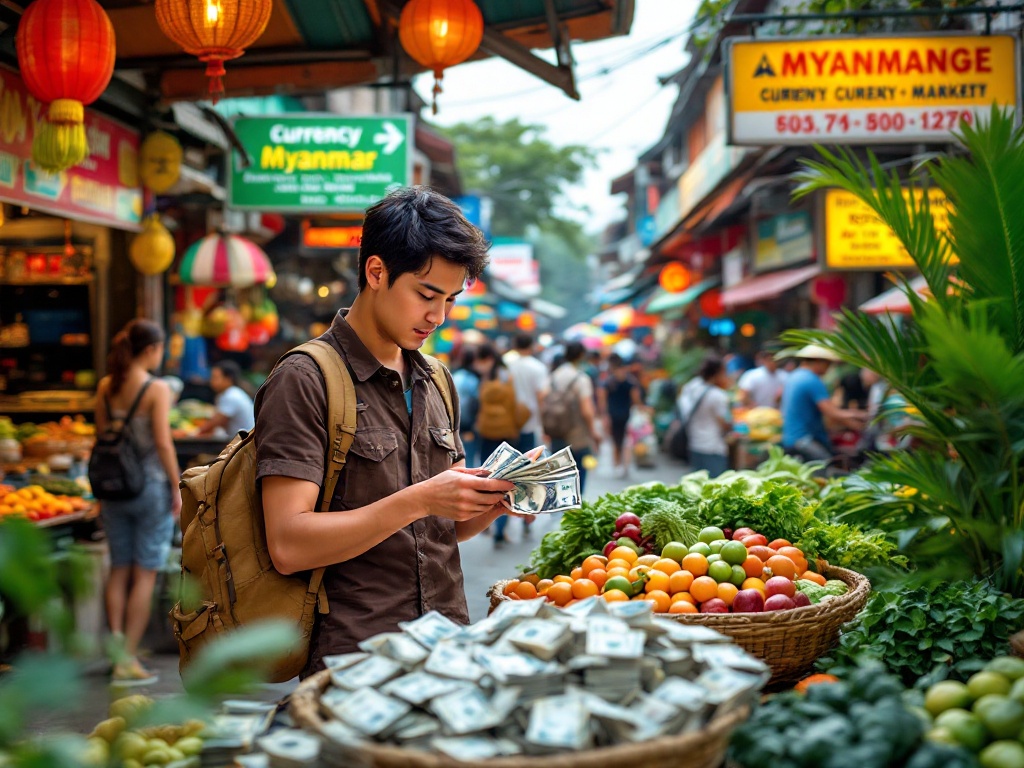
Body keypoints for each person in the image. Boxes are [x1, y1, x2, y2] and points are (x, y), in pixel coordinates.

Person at [254, 187, 516, 676]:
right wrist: (421, 498)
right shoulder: (306, 378)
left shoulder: (436, 379)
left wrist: (496, 499)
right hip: (354, 659)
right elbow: (288, 545)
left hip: (446, 646)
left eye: (450, 300)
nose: (437, 316)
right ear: (376, 272)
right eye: (426, 295)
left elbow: (445, 530)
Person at [94, 318, 181, 684]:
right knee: (145, 572)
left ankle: (117, 649)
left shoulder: (105, 386)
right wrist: (176, 486)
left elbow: (101, 437)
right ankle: (127, 660)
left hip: (113, 488)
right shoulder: (155, 389)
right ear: (151, 350)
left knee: (119, 568)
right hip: (148, 488)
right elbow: (162, 442)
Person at [473, 343, 528, 546]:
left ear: (487, 359)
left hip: (487, 432)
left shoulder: (486, 379)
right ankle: (500, 528)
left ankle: (484, 520)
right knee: (507, 480)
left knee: (487, 476)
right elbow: (515, 405)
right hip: (507, 433)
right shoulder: (506, 375)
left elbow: (480, 404)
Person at [780, 344, 868, 462]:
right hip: (804, 439)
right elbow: (832, 413)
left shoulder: (795, 375)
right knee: (827, 466)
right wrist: (860, 415)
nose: (829, 368)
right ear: (818, 361)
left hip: (791, 438)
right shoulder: (812, 380)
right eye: (828, 364)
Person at [550, 341, 601, 493]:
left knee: (559, 469)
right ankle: (575, 505)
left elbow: (544, 401)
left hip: (557, 430)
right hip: (577, 432)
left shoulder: (554, 375)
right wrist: (593, 431)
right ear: (581, 356)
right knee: (579, 469)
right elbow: (586, 409)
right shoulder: (581, 378)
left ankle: (561, 502)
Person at [677, 354, 732, 477]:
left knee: (698, 485)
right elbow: (724, 423)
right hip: (713, 447)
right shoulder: (718, 396)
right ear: (718, 373)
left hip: (694, 443)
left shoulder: (692, 386)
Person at [598, 353, 644, 478]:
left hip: (615, 415)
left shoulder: (609, 381)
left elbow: (602, 399)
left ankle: (618, 465)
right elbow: (636, 399)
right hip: (625, 415)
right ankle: (623, 466)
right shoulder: (630, 382)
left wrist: (604, 415)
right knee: (625, 442)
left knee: (617, 442)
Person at [507, 333, 549, 454]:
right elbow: (541, 395)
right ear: (532, 346)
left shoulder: (509, 365)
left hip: (512, 418)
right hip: (532, 419)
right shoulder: (538, 367)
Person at [195, 360, 255, 437]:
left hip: (244, 442)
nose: (211, 381)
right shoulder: (229, 393)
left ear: (228, 378)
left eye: (215, 377)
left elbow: (215, 422)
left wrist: (193, 433)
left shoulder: (231, 395)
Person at [451, 348, 481, 467]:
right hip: (468, 422)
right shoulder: (472, 379)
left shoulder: (455, 375)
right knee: (470, 453)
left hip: (454, 420)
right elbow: (473, 403)